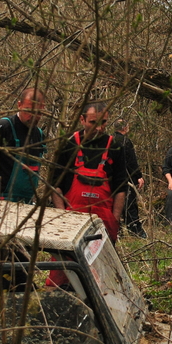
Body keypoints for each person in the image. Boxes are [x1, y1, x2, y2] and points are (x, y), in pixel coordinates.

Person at [50, 102, 129, 241]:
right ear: (82, 120)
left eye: (103, 122)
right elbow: (54, 185)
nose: (99, 128)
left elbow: (121, 187)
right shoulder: (68, 145)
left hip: (103, 221)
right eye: (93, 122)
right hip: (71, 220)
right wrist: (62, 217)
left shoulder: (115, 147)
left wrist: (114, 221)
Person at [0, 87, 47, 202]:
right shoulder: (2, 127)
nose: (33, 116)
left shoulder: (39, 136)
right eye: (28, 111)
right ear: (19, 105)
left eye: (38, 112)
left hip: (25, 204)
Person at [113, 119, 147, 238]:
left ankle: (117, 231)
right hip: (126, 179)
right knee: (130, 205)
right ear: (125, 128)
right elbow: (131, 161)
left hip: (112, 180)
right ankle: (135, 231)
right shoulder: (125, 142)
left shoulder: (110, 140)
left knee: (115, 206)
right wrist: (138, 176)